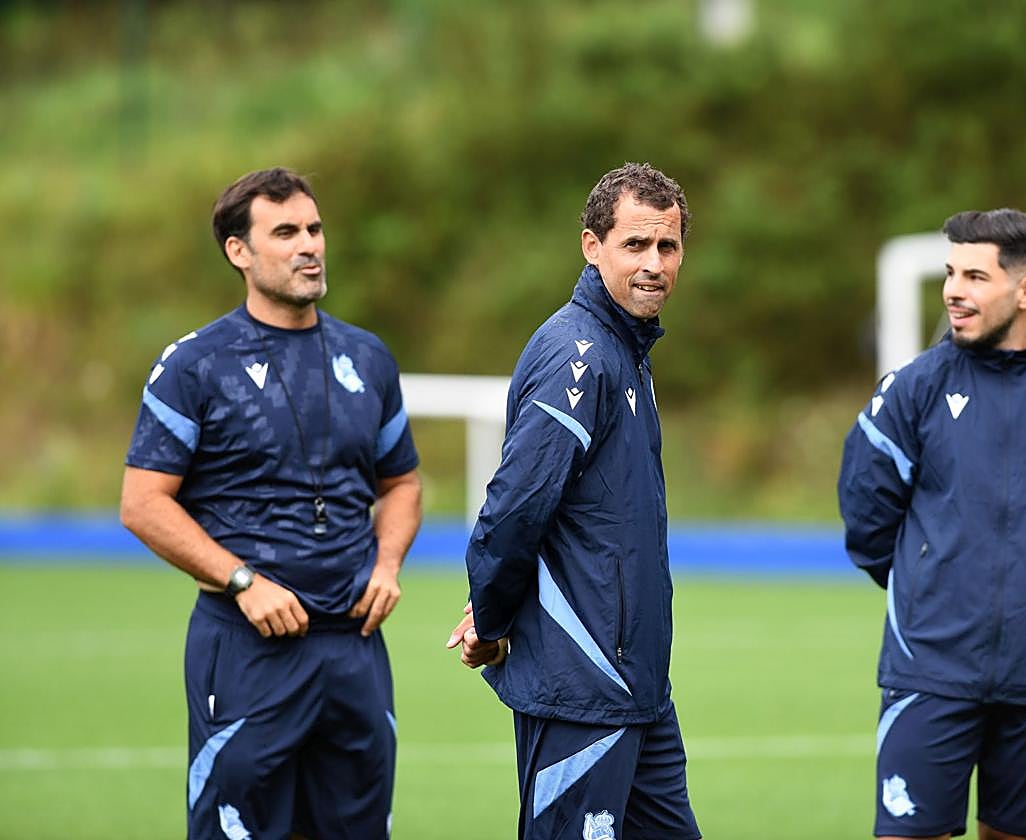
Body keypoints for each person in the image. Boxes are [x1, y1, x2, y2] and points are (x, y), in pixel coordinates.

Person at [120, 167, 422, 839]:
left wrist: (388, 564)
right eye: (285, 232)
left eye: (314, 229)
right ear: (240, 251)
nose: (309, 245)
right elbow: (143, 503)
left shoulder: (367, 357)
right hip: (247, 649)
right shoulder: (194, 366)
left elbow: (400, 483)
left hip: (355, 649)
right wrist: (242, 581)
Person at [838, 208, 1026, 840]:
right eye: (951, 272)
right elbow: (866, 511)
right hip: (932, 667)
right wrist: (928, 586)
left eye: (975, 276)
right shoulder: (913, 388)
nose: (954, 289)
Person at [445, 162, 702, 840]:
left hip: (639, 692)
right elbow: (513, 509)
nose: (654, 264)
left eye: (667, 246)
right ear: (592, 246)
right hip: (584, 691)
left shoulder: (627, 351)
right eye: (635, 245)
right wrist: (493, 623)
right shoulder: (576, 355)